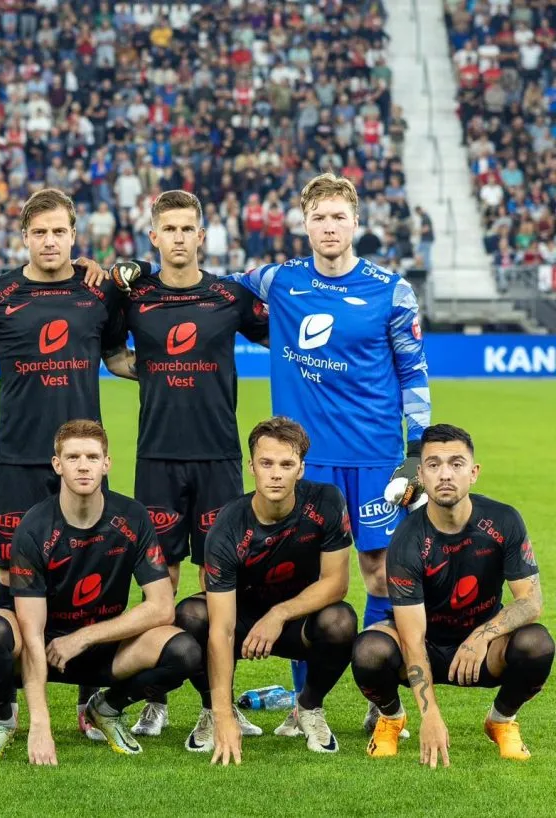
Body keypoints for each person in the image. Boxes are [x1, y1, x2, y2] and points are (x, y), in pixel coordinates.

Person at [227, 173, 431, 737]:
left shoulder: (391, 289)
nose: (330, 226)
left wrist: (416, 452)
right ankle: (302, 702)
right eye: (319, 217)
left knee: (380, 572)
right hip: (304, 460)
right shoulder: (278, 280)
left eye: (339, 216)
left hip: (374, 455)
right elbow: (207, 285)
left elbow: (414, 370)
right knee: (303, 577)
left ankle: (378, 693)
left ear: (356, 223)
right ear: (305, 223)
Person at [0, 188, 133, 741]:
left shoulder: (98, 293)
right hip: (17, 459)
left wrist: (189, 362)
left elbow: (121, 359)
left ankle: (88, 700)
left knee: (94, 574)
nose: (50, 241)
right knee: (12, 580)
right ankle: (5, 708)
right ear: (23, 237)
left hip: (82, 461)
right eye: (39, 232)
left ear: (74, 235)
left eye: (59, 231)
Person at [107, 189, 269, 740]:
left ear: (202, 236)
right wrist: (147, 368)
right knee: (161, 581)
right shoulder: (133, 294)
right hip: (156, 456)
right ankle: (156, 698)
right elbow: (107, 348)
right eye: (168, 229)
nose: (178, 238)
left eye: (187, 229)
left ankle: (214, 703)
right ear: (153, 236)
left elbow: (284, 337)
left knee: (218, 585)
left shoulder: (229, 296)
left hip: (219, 457)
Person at [0, 419, 201, 762]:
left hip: (102, 647)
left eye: (92, 457)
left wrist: (84, 637)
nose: (83, 466)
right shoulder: (33, 528)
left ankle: (106, 708)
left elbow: (162, 607)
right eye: (73, 457)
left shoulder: (132, 517)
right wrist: (41, 726)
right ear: (57, 464)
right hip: (44, 650)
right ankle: (4, 719)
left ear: (106, 464)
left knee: (184, 652)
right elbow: (31, 633)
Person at [353, 424, 553, 765]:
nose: (445, 474)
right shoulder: (407, 538)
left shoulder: (504, 521)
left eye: (456, 463)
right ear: (421, 474)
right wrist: (429, 717)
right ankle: (391, 717)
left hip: (485, 651)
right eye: (434, 465)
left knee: (538, 644)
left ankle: (501, 721)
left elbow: (531, 601)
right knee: (369, 650)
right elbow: (412, 636)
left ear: (473, 473)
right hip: (425, 643)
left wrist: (480, 636)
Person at [183, 417, 357, 762]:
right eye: (266, 463)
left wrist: (279, 614)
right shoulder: (227, 527)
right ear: (251, 467)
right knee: (190, 616)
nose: (276, 473)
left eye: (286, 464)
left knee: (341, 621)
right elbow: (221, 628)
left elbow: (336, 584)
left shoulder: (327, 502)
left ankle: (307, 709)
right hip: (241, 621)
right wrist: (222, 716)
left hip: (297, 620)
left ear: (301, 469)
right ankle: (214, 709)